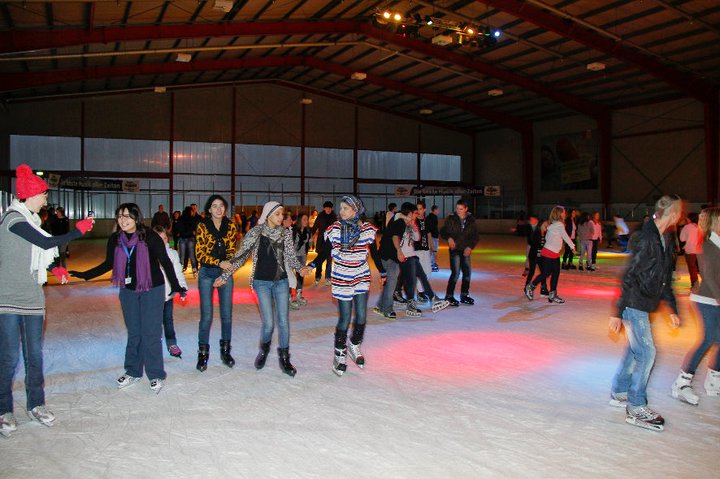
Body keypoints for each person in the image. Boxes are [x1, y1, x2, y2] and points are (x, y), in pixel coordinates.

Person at [0, 165, 93, 437]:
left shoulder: (32, 220)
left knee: (35, 355)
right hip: (7, 296)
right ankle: (4, 408)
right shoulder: (12, 219)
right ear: (30, 194)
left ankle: (36, 404)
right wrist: (77, 231)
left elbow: (39, 251)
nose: (46, 199)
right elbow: (42, 243)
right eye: (43, 194)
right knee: (8, 357)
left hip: (31, 296)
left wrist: (55, 269)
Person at [70, 203, 185, 395]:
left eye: (127, 216)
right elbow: (108, 263)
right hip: (128, 290)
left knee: (151, 333)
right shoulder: (115, 239)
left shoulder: (150, 237)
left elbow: (165, 261)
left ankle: (156, 374)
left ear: (136, 218)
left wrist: (175, 285)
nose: (122, 220)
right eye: (120, 216)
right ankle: (133, 371)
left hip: (152, 289)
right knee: (134, 333)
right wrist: (85, 275)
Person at [608, 195, 683, 431]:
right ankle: (635, 405)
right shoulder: (645, 237)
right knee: (647, 352)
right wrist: (618, 311)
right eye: (679, 211)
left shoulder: (666, 238)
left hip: (646, 303)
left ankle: (620, 390)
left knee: (635, 350)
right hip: (634, 303)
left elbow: (664, 277)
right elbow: (630, 274)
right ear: (673, 214)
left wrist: (671, 307)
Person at [214, 201, 312, 377]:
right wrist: (225, 276)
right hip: (262, 283)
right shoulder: (256, 233)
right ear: (268, 215)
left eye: (282, 214)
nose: (282, 217)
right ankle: (264, 349)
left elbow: (290, 257)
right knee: (268, 324)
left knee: (283, 321)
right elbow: (240, 256)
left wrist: (300, 268)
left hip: (281, 281)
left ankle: (284, 358)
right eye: (278, 214)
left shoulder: (285, 234)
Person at [671, 207, 720, 405]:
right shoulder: (707, 245)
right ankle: (682, 382)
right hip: (705, 299)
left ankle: (714, 380)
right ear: (713, 223)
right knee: (708, 338)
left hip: (715, 298)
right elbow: (708, 275)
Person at [325, 195, 377, 376]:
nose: (341, 212)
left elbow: (374, 252)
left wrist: (384, 272)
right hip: (342, 277)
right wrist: (313, 265)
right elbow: (325, 251)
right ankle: (339, 354)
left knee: (361, 315)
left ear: (355, 210)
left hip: (361, 275)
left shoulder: (366, 229)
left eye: (345, 208)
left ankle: (354, 345)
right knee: (345, 317)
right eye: (341, 208)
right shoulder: (335, 229)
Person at [194, 195, 238, 371]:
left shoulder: (231, 226)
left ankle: (225, 351)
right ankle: (203, 353)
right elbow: (200, 253)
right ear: (209, 209)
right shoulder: (202, 226)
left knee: (226, 315)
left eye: (221, 206)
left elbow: (231, 251)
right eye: (214, 206)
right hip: (206, 273)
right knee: (206, 316)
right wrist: (219, 262)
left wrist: (226, 269)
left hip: (225, 274)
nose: (219, 209)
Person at [524, 206, 575, 304]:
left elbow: (547, 237)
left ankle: (552, 294)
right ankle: (530, 286)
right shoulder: (559, 225)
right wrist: (572, 246)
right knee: (546, 273)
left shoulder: (553, 225)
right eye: (563, 212)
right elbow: (565, 236)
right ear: (559, 214)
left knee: (555, 273)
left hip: (552, 252)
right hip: (549, 253)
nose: (565, 214)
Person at [152, 225, 188, 359]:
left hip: (168, 294)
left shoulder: (172, 254)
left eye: (165, 238)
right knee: (153, 321)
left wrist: (182, 287)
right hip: (153, 295)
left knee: (168, 320)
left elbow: (178, 272)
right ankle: (153, 343)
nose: (163, 241)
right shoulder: (149, 255)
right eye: (159, 239)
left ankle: (172, 343)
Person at [440, 199, 479, 307]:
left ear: (466, 209)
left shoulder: (471, 220)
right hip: (455, 250)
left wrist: (470, 247)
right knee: (456, 273)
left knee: (467, 274)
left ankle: (464, 295)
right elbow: (443, 231)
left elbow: (475, 236)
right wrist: (449, 238)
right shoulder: (451, 218)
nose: (458, 211)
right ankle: (449, 296)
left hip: (465, 249)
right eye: (457, 208)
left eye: (461, 209)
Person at [311, 201, 337, 286]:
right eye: (327, 208)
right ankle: (317, 277)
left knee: (329, 260)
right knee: (320, 259)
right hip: (321, 241)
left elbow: (337, 228)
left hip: (330, 241)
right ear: (324, 208)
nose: (328, 209)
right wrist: (310, 235)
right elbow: (315, 226)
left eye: (330, 208)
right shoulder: (320, 216)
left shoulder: (334, 216)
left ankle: (327, 277)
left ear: (331, 209)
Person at [290, 213, 312, 309]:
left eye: (307, 219)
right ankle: (289, 297)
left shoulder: (307, 232)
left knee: (300, 276)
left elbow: (307, 245)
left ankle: (298, 295)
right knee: (290, 276)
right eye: (304, 219)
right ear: (299, 220)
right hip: (293, 257)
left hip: (302, 256)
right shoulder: (293, 231)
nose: (306, 221)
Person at [679, 212, 702, 293]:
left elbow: (682, 239)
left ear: (689, 219)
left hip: (690, 250)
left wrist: (682, 230)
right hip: (700, 250)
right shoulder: (700, 226)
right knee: (701, 268)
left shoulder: (687, 227)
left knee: (692, 268)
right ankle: (704, 285)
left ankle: (695, 285)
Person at [177, 206, 198, 276]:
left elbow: (179, 229)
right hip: (191, 238)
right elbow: (195, 228)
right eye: (192, 211)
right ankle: (194, 270)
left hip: (182, 238)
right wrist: (192, 232)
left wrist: (182, 233)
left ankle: (179, 270)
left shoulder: (180, 219)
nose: (192, 212)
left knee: (182, 256)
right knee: (192, 255)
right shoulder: (192, 219)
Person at [426, 204, 440, 272]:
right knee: (434, 250)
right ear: (434, 210)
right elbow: (434, 228)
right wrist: (436, 236)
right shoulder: (434, 217)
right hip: (433, 236)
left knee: (430, 250)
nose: (438, 211)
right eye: (437, 210)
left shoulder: (428, 217)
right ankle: (432, 264)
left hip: (429, 236)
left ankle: (430, 263)